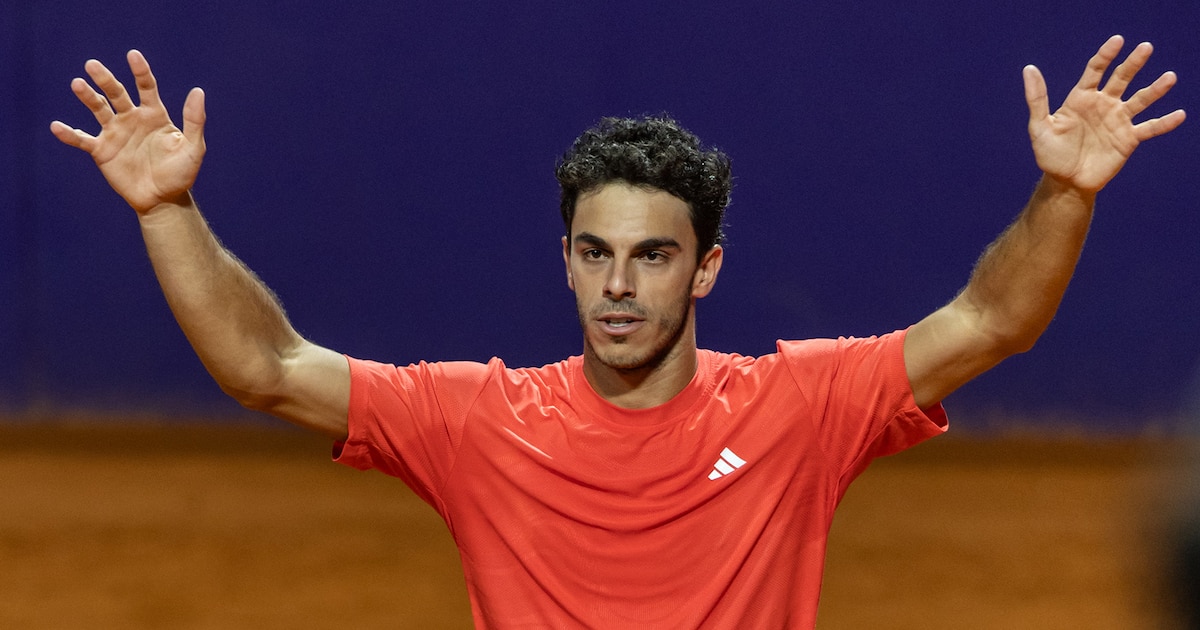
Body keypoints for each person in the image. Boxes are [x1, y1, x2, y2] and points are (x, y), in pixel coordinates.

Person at [51, 36, 1184, 628]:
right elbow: (267, 366)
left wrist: (1066, 195)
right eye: (596, 254)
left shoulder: (800, 406)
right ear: (566, 263)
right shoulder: (476, 419)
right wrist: (168, 209)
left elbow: (992, 319)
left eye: (653, 255)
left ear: (707, 271)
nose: (620, 286)